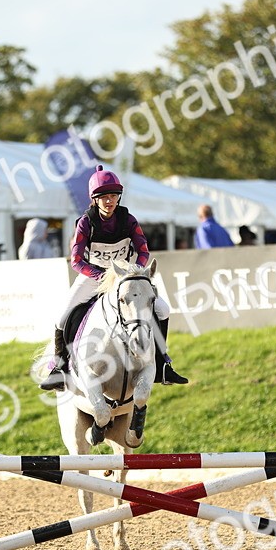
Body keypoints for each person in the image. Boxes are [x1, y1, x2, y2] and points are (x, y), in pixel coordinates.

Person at [40, 165, 189, 391]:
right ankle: (59, 368)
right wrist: (102, 276)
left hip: (125, 277)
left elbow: (143, 251)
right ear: (95, 199)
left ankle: (162, 363)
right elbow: (76, 260)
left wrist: (134, 272)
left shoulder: (128, 220)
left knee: (163, 309)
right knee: (62, 317)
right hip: (94, 276)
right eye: (104, 197)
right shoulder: (85, 223)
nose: (109, 201)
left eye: (113, 196)